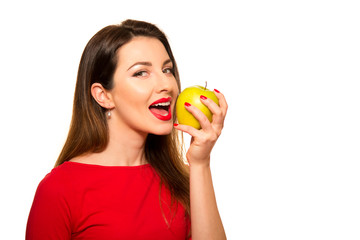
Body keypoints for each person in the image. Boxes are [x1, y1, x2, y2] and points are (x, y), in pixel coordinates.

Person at [26, 19, 227, 240]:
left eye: (167, 70)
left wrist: (200, 163)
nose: (167, 85)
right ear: (103, 96)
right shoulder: (58, 190)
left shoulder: (183, 179)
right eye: (141, 73)